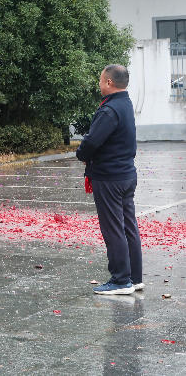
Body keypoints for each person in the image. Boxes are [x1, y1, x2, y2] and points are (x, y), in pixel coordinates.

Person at [76, 65, 143, 295]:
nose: (99, 84)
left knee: (113, 228)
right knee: (128, 226)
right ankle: (134, 278)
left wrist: (82, 154)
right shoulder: (125, 104)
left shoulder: (109, 110)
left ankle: (121, 280)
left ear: (109, 82)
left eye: (100, 80)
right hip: (125, 174)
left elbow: (92, 141)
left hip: (110, 178)